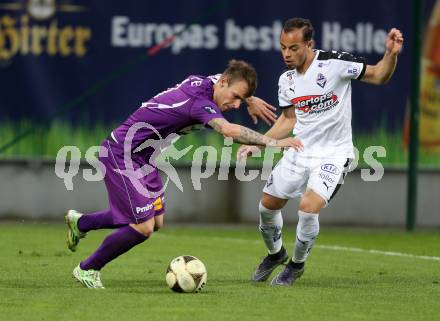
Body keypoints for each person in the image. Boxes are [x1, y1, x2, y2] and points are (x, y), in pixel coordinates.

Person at [65, 59, 303, 289]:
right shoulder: (198, 103)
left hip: (144, 159)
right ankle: (88, 268)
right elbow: (228, 130)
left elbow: (227, 82)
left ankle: (82, 223)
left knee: (155, 221)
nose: (236, 105)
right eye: (235, 97)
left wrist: (248, 97)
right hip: (122, 155)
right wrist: (274, 142)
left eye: (241, 99)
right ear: (223, 83)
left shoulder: (209, 83)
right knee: (143, 227)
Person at [237, 18, 404, 286]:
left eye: (293, 48)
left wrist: (390, 55)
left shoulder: (335, 64)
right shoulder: (287, 80)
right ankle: (276, 254)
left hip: (334, 154)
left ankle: (296, 266)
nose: (287, 54)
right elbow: (288, 120)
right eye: (282, 48)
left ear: (309, 44)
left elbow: (379, 75)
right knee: (267, 207)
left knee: (308, 207)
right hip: (300, 150)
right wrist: (258, 143)